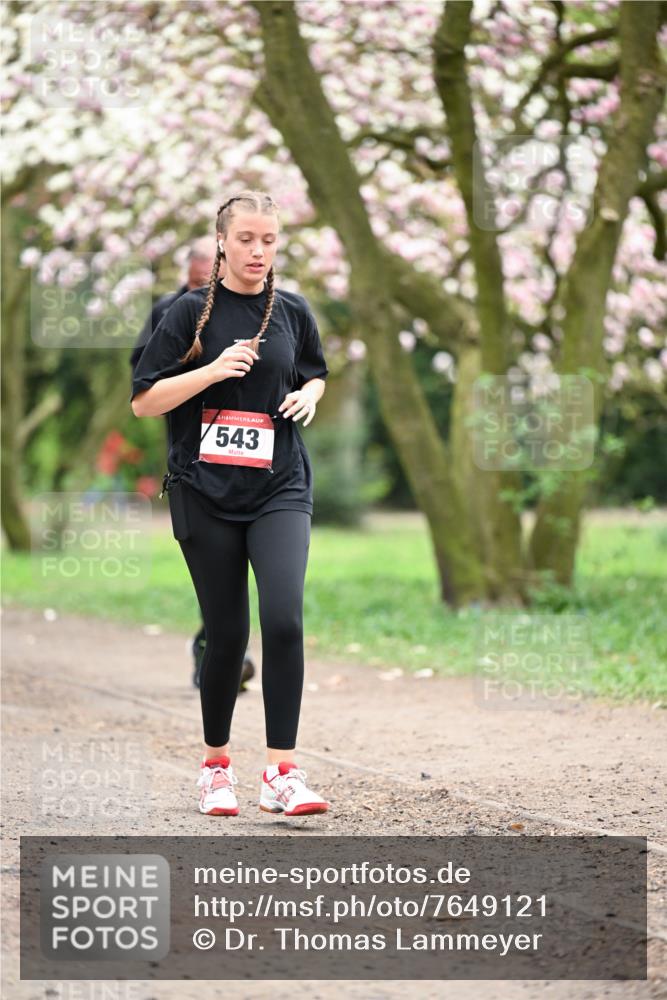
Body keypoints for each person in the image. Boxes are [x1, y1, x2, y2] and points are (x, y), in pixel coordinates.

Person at [131, 189, 331, 817]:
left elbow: (312, 370)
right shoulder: (187, 314)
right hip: (204, 491)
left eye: (269, 240)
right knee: (226, 633)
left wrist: (313, 396)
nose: (258, 251)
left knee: (284, 619)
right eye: (246, 239)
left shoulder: (292, 311)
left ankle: (281, 772)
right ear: (222, 241)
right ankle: (216, 768)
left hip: (279, 486)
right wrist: (212, 370)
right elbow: (145, 401)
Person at [130, 236, 256, 692]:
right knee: (216, 563)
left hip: (248, 454)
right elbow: (142, 384)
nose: (212, 290)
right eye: (202, 282)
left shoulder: (259, 306)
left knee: (246, 557)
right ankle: (216, 651)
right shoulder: (171, 311)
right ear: (189, 277)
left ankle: (224, 648)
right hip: (194, 454)